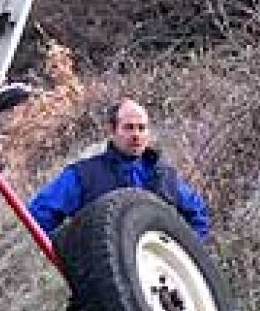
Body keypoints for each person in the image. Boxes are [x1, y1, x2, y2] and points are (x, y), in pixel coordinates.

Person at [27, 98, 212, 240]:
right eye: (129, 128)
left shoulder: (165, 176)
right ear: (112, 131)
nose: (136, 135)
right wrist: (73, 256)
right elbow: (39, 215)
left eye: (142, 128)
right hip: (104, 279)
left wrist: (183, 259)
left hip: (156, 278)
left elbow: (199, 214)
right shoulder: (84, 175)